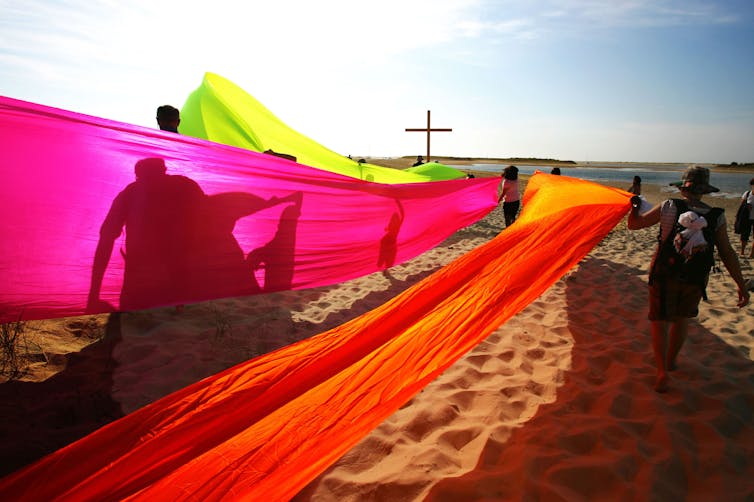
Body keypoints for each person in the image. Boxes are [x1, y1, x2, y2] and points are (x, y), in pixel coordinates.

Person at [627, 166, 749, 393]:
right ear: (704, 191)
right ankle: (672, 361)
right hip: (695, 277)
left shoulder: (669, 206)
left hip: (664, 273)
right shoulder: (717, 216)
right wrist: (741, 284)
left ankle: (662, 370)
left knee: (659, 321)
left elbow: (635, 224)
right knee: (682, 319)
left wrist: (633, 207)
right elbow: (727, 252)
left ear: (683, 188)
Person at [737, 178, 754, 257]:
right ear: (752, 185)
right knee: (744, 236)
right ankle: (742, 252)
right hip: (746, 218)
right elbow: (742, 205)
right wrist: (747, 206)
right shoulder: (747, 194)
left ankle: (752, 254)